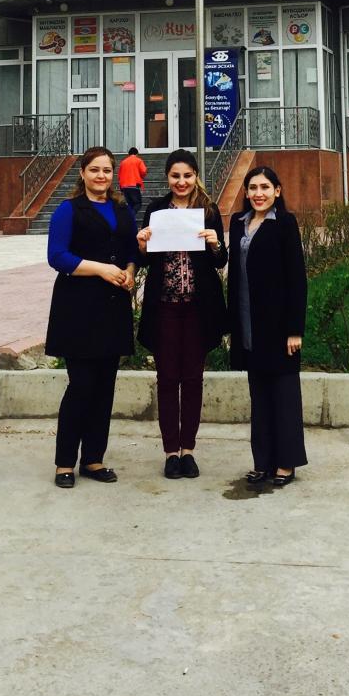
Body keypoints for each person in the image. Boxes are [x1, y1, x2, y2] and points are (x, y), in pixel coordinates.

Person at [45, 146, 139, 489]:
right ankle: (64, 462)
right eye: (95, 170)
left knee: (104, 389)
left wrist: (128, 271)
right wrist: (101, 269)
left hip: (113, 307)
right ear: (82, 173)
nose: (102, 176)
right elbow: (57, 256)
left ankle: (94, 459)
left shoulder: (121, 208)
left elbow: (130, 250)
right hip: (78, 308)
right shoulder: (69, 210)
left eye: (107, 171)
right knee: (81, 386)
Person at [136, 150, 228, 479]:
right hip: (165, 307)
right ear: (167, 178)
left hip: (198, 309)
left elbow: (220, 261)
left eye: (187, 176)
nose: (181, 182)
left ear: (196, 176)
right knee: (166, 380)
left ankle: (188, 450)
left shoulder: (208, 210)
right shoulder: (157, 210)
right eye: (175, 176)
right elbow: (146, 260)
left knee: (192, 379)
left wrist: (216, 243)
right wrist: (143, 244)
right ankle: (170, 452)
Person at [226, 164, 308, 489]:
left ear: (277, 191)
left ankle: (286, 463)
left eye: (265, 187)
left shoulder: (285, 224)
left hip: (279, 326)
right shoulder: (238, 224)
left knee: (284, 396)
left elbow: (297, 279)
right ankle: (262, 462)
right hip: (248, 324)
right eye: (253, 188)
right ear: (246, 193)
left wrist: (294, 329)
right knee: (259, 397)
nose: (258, 194)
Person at [118, 146, 148, 214]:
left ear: (129, 154)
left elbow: (119, 175)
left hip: (124, 186)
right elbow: (143, 171)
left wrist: (121, 187)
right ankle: (130, 217)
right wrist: (141, 177)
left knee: (130, 204)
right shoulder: (138, 160)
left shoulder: (123, 162)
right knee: (138, 204)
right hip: (134, 185)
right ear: (136, 154)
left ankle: (129, 219)